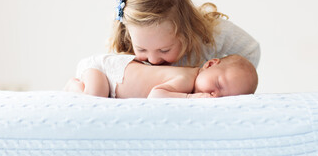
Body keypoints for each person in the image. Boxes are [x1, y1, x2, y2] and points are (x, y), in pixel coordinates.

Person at [79, 0, 260, 82]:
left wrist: (223, 81)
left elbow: (250, 49)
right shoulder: (125, 49)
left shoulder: (210, 34)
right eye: (141, 49)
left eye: (164, 50)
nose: (153, 59)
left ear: (187, 31)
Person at [64, 54, 258, 98]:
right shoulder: (185, 79)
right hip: (104, 70)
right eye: (218, 83)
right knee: (94, 96)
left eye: (224, 97)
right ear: (209, 64)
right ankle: (73, 86)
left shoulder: (192, 81)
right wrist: (192, 98)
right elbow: (156, 95)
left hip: (112, 83)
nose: (214, 94)